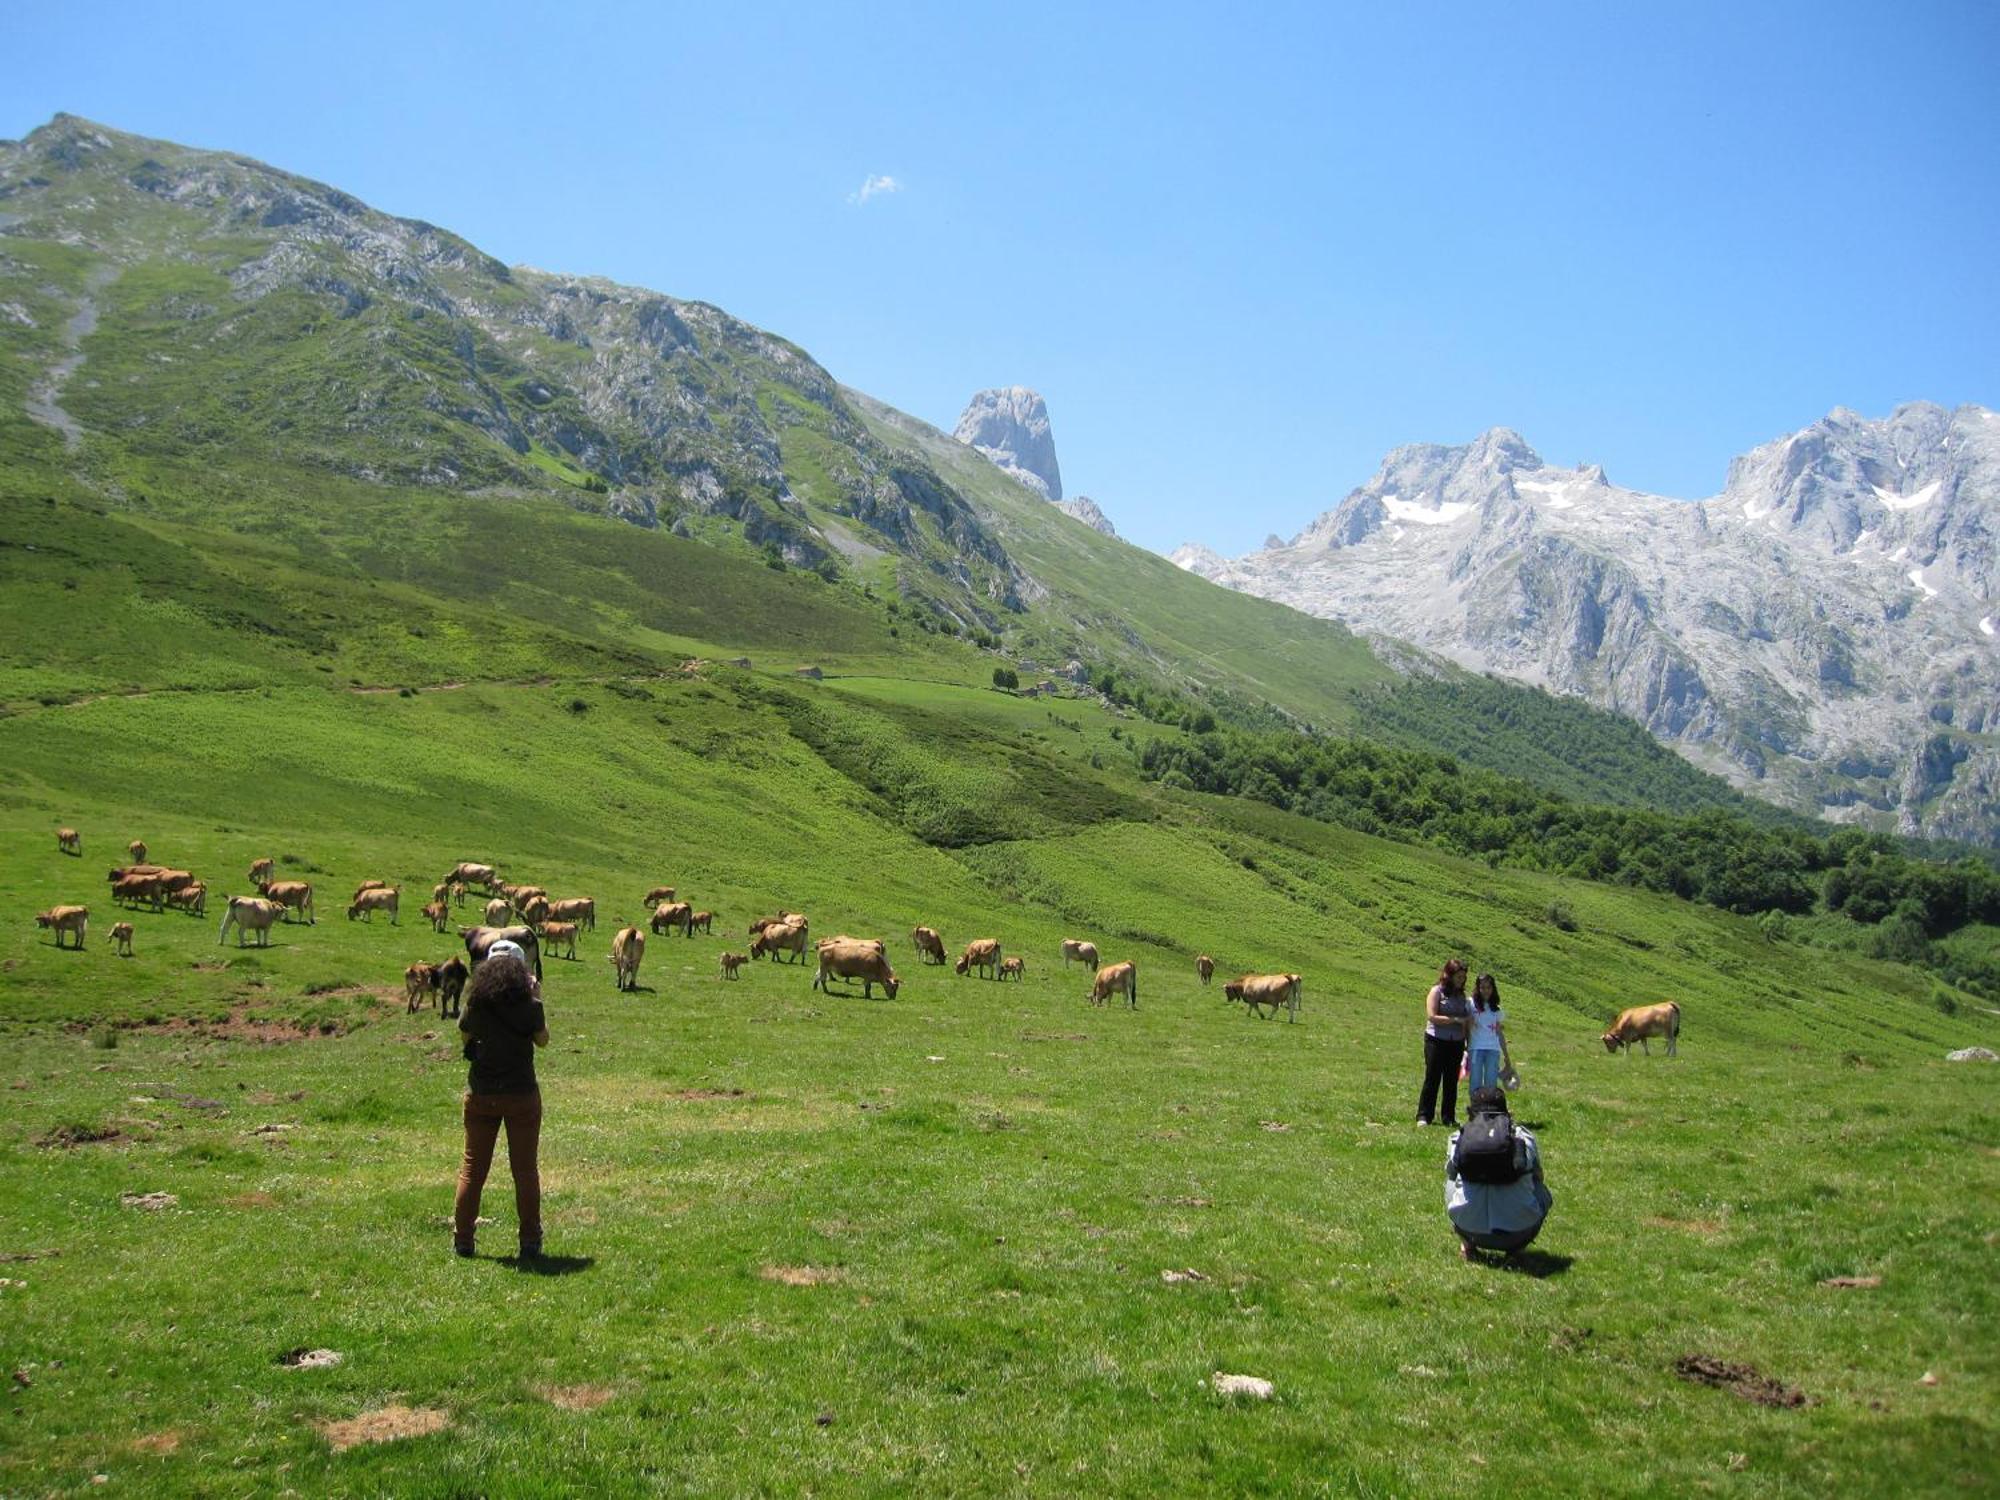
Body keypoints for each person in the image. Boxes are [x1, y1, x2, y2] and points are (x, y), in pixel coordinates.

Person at [454, 940, 548, 1259]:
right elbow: (543, 1040)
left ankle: (464, 1239)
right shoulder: (530, 1005)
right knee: (524, 1171)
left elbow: (465, 1034)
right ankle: (530, 1240)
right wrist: (536, 998)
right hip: (521, 1093)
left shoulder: (477, 1004)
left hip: (481, 1093)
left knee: (472, 1170)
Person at [1445, 1086, 1552, 1261]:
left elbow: (1451, 1172)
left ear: (1471, 1111)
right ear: (1506, 1111)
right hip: (1518, 1232)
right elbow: (1539, 1176)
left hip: (1470, 1229)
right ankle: (1516, 1250)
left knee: (1451, 1183)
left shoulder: (1459, 1138)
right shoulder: (1523, 1137)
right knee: (1541, 1191)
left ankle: (1467, 1246)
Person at [1417, 958, 1472, 1127]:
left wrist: (1468, 1043)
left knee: (1451, 1081)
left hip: (1456, 1042)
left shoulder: (1462, 996)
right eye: (1458, 977)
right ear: (1449, 975)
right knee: (1432, 1078)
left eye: (1463, 977)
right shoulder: (1436, 991)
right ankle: (1424, 1115)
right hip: (1436, 1040)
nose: (1461, 980)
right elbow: (1432, 1016)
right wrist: (1455, 1019)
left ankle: (1448, 1116)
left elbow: (1467, 1021)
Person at [1466, 973, 1512, 1094]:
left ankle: (1489, 1109)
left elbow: (1499, 1033)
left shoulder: (1496, 1009)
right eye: (1482, 987)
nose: (1486, 991)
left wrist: (1506, 1056)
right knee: (1475, 1081)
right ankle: (1476, 1109)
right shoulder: (1470, 1004)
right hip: (1476, 1048)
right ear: (1478, 988)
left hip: (1493, 1049)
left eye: (1489, 987)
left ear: (1493, 989)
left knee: (1491, 1082)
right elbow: (1464, 1023)